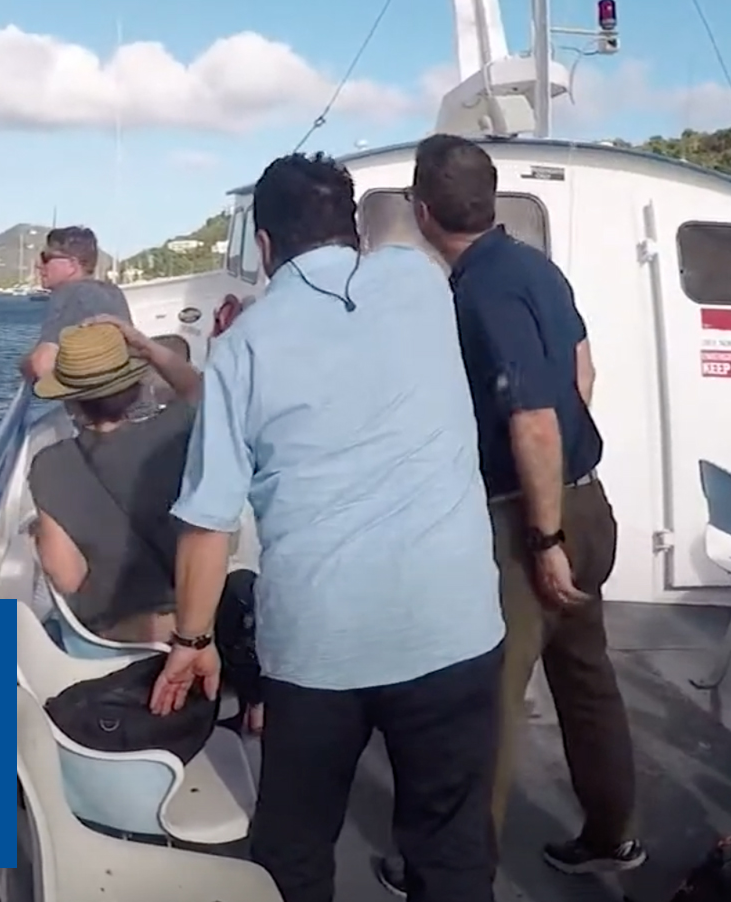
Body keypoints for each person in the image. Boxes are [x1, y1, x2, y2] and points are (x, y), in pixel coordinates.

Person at [149, 151, 505, 902]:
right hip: (454, 626)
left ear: (267, 247)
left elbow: (209, 521)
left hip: (319, 651)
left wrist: (191, 641)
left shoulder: (244, 350)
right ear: (354, 228)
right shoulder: (421, 282)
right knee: (452, 848)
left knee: (296, 847)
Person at [382, 134, 642, 894]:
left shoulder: (480, 288)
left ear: (424, 212)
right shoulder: (535, 268)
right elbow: (580, 369)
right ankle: (612, 834)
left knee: (488, 695)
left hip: (534, 522)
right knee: (587, 680)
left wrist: (543, 530)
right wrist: (566, 483)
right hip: (592, 502)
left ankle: (462, 869)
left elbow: (530, 416)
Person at [28, 317, 204, 645]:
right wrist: (145, 345)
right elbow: (198, 389)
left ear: (69, 399)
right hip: (193, 630)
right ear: (137, 388)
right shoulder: (176, 433)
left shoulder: (48, 465)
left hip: (110, 640)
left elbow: (68, 577)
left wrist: (39, 539)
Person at [21, 226, 131, 387]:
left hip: (98, 409)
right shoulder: (113, 292)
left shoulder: (70, 293)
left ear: (72, 264)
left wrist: (24, 364)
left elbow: (41, 366)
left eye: (46, 257)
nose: (39, 265)